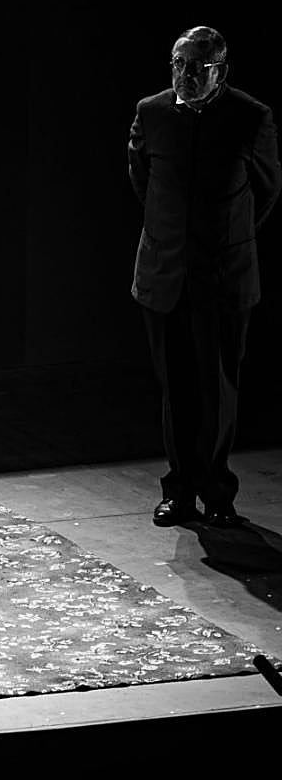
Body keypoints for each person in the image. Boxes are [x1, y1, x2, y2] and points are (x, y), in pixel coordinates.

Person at [127, 26, 281, 528]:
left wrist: (224, 237)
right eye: (178, 64)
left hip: (223, 276)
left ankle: (218, 494)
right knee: (176, 388)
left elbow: (266, 190)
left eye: (197, 67)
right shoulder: (152, 112)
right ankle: (179, 491)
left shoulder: (250, 116)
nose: (185, 75)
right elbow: (143, 181)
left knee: (218, 389)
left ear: (221, 71)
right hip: (165, 273)